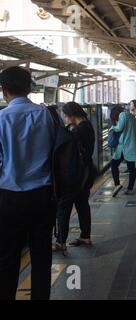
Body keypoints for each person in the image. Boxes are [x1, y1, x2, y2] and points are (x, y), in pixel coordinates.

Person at [0, 66, 56, 300]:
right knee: (42, 258)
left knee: (6, 259)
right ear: (30, 89)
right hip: (42, 196)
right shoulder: (46, 115)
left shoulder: (1, 118)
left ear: (4, 92)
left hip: (9, 198)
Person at [53, 102, 95, 251]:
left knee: (64, 206)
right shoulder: (87, 125)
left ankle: (60, 241)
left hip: (75, 174)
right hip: (85, 173)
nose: (64, 118)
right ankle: (85, 236)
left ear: (71, 115)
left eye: (65, 115)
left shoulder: (77, 131)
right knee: (82, 204)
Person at [110, 105, 136, 196]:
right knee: (131, 169)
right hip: (130, 145)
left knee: (114, 164)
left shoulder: (123, 114)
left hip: (125, 146)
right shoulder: (131, 116)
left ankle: (117, 184)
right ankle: (129, 189)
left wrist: (113, 128)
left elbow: (119, 128)